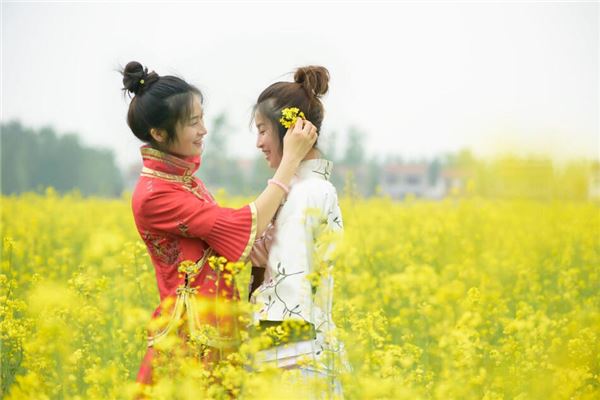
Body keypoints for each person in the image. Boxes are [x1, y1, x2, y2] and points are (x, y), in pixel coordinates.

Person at [120, 61, 317, 387]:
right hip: (191, 338)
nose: (203, 130)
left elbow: (236, 244)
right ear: (159, 133)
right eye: (193, 122)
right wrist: (290, 161)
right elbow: (240, 229)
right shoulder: (155, 195)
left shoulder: (185, 182)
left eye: (202, 119)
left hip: (216, 327)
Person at [248, 66, 348, 396]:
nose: (259, 143)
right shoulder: (304, 189)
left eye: (263, 130)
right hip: (303, 357)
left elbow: (290, 293)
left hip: (294, 366)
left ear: (290, 131)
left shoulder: (306, 194)